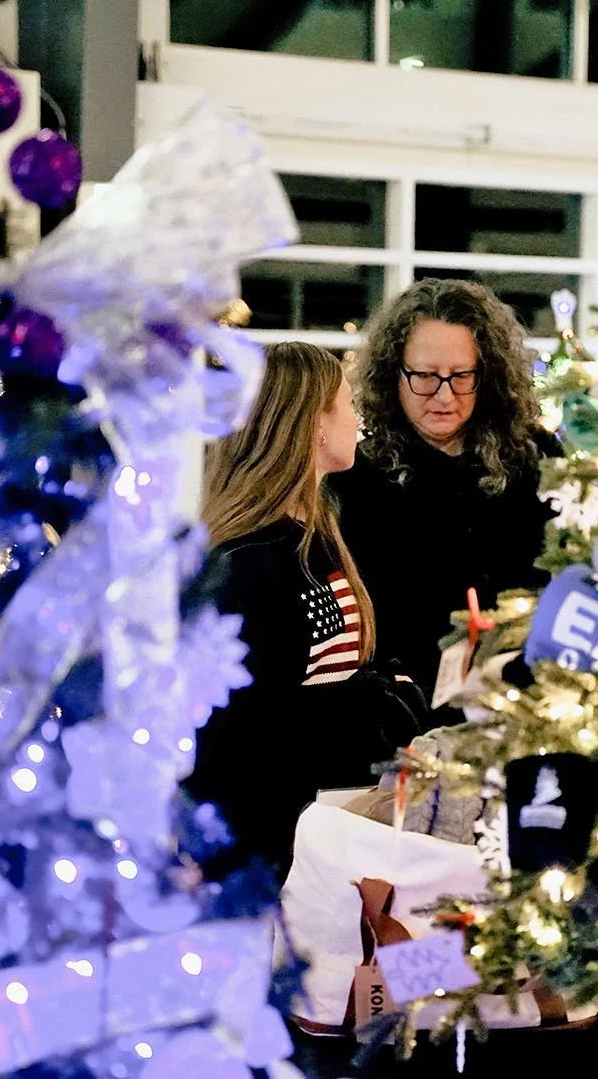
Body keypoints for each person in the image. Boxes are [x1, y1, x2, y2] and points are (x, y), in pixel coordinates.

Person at [187, 342, 426, 870]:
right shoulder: (249, 563)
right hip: (269, 851)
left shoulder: (312, 539)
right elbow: (247, 728)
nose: (357, 418)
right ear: (312, 423)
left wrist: (386, 690)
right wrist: (376, 701)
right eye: (347, 404)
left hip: (317, 832)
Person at [331, 278, 560, 697]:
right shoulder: (358, 477)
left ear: (486, 374)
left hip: (527, 696)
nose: (443, 395)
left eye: (460, 376)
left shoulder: (535, 457)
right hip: (404, 709)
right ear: (393, 373)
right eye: (424, 376)